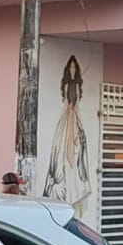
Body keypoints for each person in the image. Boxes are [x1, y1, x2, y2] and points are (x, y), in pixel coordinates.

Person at [43, 55, 93, 218]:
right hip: (66, 118)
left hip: (73, 118)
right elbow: (67, 104)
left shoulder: (77, 85)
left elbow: (76, 105)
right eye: (70, 68)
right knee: (60, 155)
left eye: (74, 68)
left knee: (77, 158)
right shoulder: (66, 86)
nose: (72, 70)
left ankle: (75, 194)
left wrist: (76, 124)